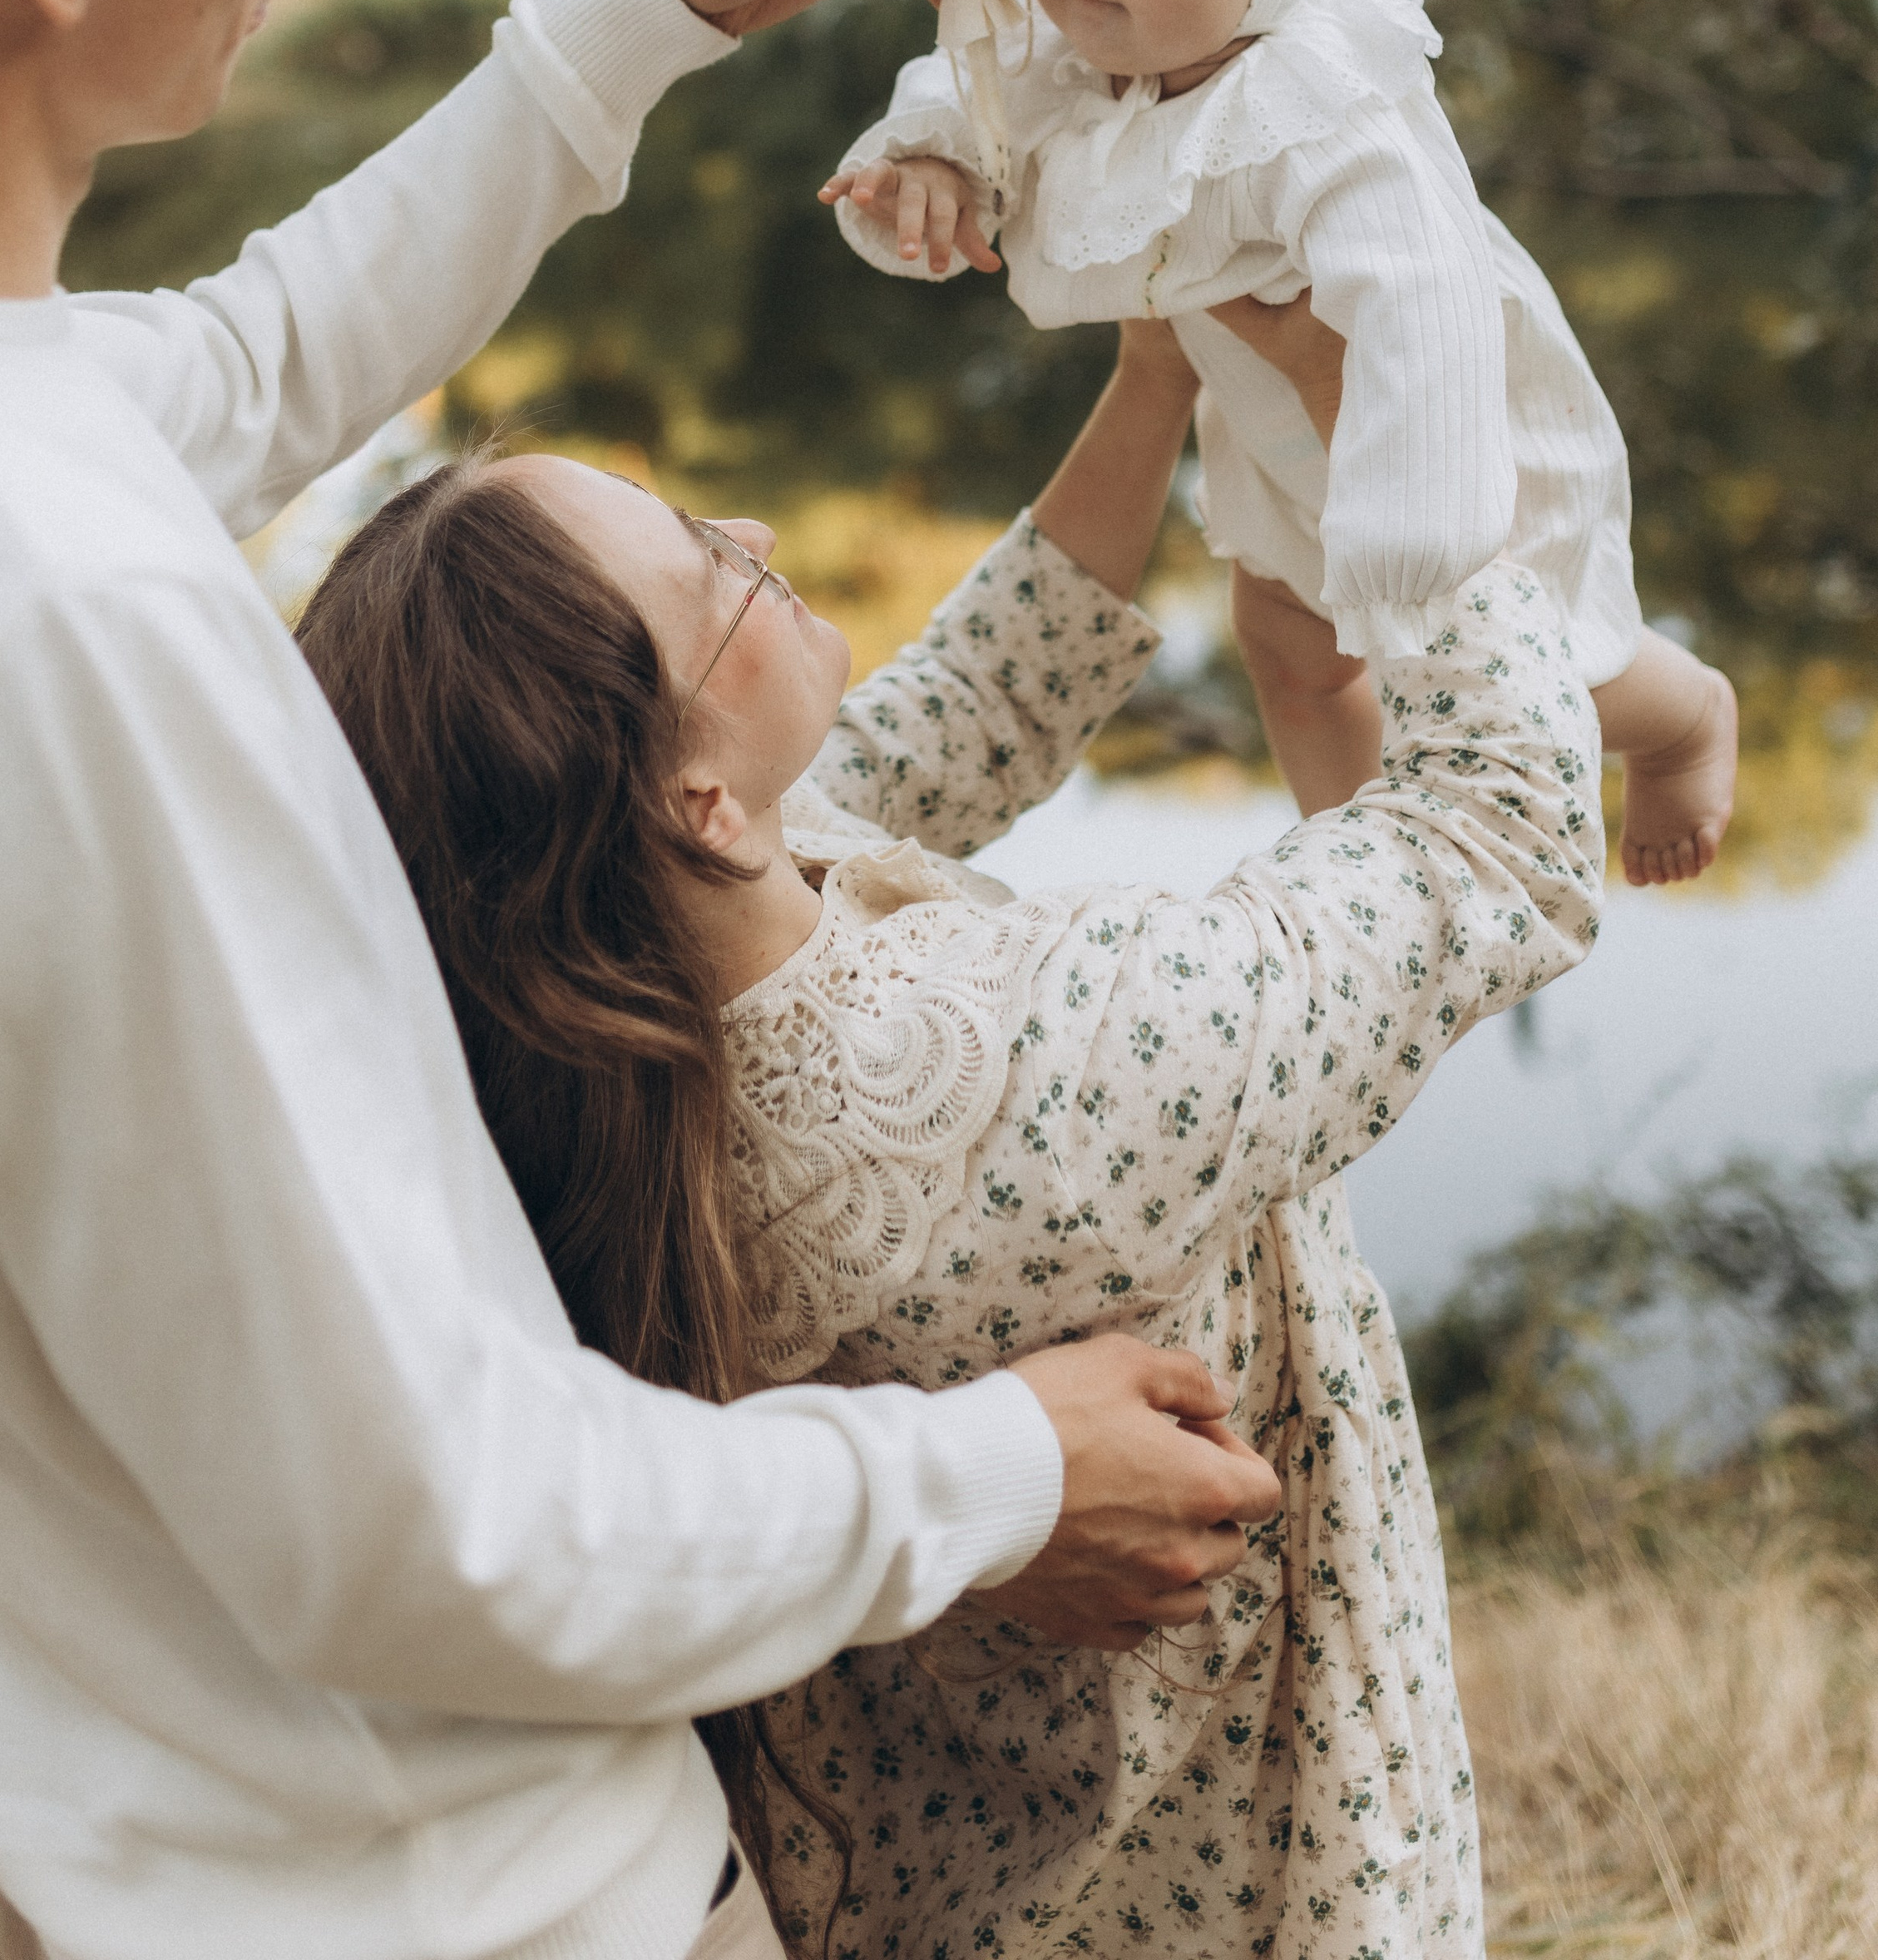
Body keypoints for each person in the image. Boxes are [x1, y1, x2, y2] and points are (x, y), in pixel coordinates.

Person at [0, 0, 1281, 1960]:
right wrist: (992, 1475)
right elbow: (435, 1523)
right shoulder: (51, 646)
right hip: (470, 1910)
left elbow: (258, 355)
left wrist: (651, 8)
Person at [293, 298, 1605, 1959]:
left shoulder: (609, 1030)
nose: (756, 532)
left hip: (956, 1855)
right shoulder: (1056, 1066)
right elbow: (1495, 842)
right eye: (712, 564)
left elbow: (962, 716)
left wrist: (1151, 381)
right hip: (1252, 1846)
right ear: (695, 795)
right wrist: (1402, 440)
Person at [819, 0, 1739, 887]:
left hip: (1441, 438)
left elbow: (1426, 306)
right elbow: (988, 76)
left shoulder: (1328, 110)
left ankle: (1683, 722)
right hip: (1274, 427)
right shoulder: (1113, 35)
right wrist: (932, 165)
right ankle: (1363, 894)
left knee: (1550, 663)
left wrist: (1412, 557)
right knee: (1287, 650)